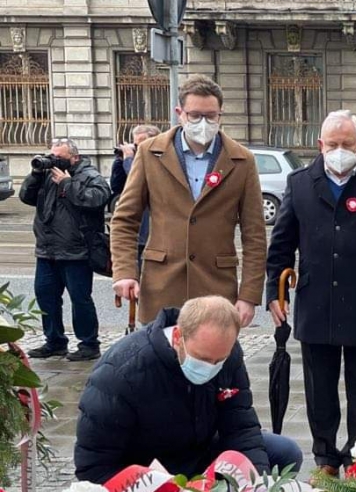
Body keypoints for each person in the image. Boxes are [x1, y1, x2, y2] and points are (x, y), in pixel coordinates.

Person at [266, 110, 356, 477]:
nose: (339, 151)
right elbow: (280, 245)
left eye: (347, 144)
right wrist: (274, 293)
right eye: (333, 144)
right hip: (315, 302)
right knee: (319, 389)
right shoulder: (300, 183)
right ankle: (326, 458)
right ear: (320, 145)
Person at [74, 296, 302, 483]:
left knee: (284, 453)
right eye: (203, 358)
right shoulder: (120, 373)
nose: (211, 368)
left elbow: (240, 427)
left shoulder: (228, 354)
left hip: (200, 452)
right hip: (145, 468)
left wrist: (258, 487)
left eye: (219, 360)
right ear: (177, 337)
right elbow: (93, 466)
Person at [110, 74, 267, 327]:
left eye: (211, 116)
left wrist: (249, 295)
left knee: (213, 352)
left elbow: (255, 233)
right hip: (162, 286)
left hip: (216, 288)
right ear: (180, 113)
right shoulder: (150, 153)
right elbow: (125, 219)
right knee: (161, 352)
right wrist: (125, 272)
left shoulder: (241, 160)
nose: (203, 123)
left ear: (220, 115)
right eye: (195, 115)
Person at [19, 138, 110, 361]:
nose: (54, 160)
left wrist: (67, 184)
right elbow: (26, 197)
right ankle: (54, 342)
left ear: (74, 158)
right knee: (46, 297)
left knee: (80, 299)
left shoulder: (90, 176)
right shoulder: (48, 175)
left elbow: (98, 200)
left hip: (76, 251)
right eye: (52, 155)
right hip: (47, 250)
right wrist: (36, 174)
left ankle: (89, 344)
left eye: (59, 157)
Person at [109, 124, 161, 265]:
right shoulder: (132, 161)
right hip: (136, 231)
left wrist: (129, 160)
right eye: (136, 144)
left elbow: (143, 180)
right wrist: (119, 160)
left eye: (141, 144)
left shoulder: (160, 160)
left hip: (152, 233)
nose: (138, 148)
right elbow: (116, 187)